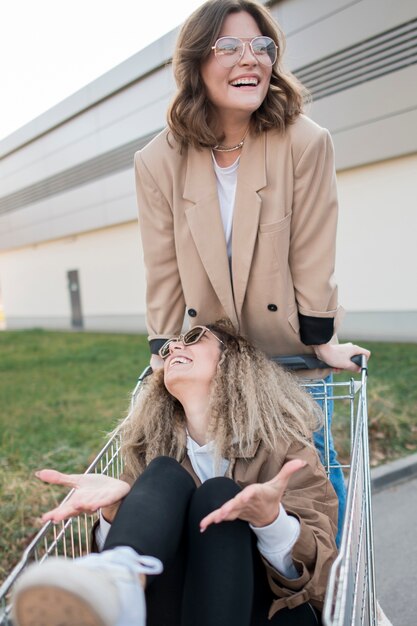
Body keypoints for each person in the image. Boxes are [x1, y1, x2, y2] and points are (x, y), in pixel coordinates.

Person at [134, 0, 370, 546]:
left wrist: (321, 338)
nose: (252, 59)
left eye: (262, 47)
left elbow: (313, 248)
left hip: (285, 349)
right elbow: (163, 265)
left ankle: (331, 588)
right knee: (220, 484)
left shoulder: (305, 140)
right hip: (213, 351)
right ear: (195, 63)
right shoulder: (157, 160)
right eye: (230, 47)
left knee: (309, 474)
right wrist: (164, 350)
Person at [13, 321, 338, 626]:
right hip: (175, 607)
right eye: (170, 345)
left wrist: (271, 521)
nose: (174, 348)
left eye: (194, 337)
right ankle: (115, 576)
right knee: (164, 473)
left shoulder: (285, 447)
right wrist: (111, 512)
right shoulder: (151, 450)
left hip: (265, 611)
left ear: (234, 362)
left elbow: (323, 578)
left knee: (218, 495)